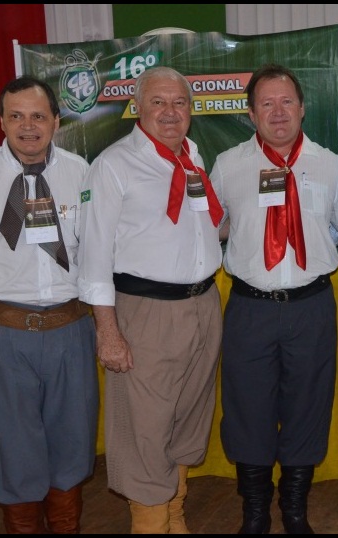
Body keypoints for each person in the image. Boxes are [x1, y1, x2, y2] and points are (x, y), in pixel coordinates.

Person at [0, 76, 98, 534]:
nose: (28, 126)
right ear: (2, 122)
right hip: (2, 336)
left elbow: (95, 252)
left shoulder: (82, 173)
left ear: (56, 121)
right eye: (16, 116)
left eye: (37, 116)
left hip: (71, 331)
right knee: (12, 449)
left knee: (72, 445)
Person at [77, 66, 225, 534]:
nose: (169, 112)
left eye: (179, 103)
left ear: (191, 110)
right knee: (144, 431)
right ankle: (150, 526)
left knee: (187, 421)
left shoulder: (193, 158)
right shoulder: (113, 165)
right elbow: (93, 256)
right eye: (158, 102)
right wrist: (108, 332)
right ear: (137, 107)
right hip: (144, 314)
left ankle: (174, 517)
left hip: (203, 306)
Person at [210, 63, 338, 535]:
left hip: (312, 308)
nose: (278, 112)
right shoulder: (228, 166)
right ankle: (254, 513)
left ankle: (295, 511)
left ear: (302, 108)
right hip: (250, 309)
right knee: (247, 409)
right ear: (251, 114)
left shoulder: (330, 165)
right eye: (267, 103)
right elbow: (207, 230)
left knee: (308, 408)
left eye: (286, 101)